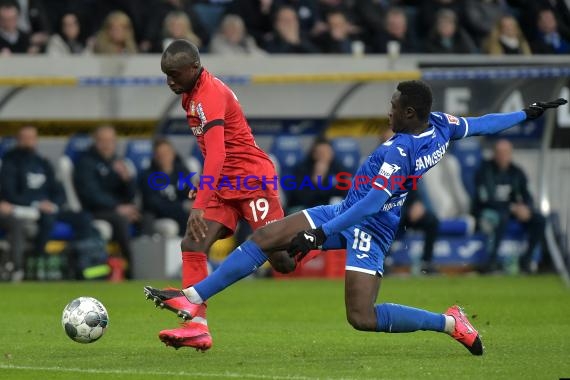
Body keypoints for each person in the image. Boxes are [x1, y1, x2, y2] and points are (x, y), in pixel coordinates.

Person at [144, 80, 567, 354]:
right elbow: (481, 124)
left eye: (395, 107)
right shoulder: (439, 125)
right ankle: (194, 299)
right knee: (266, 237)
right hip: (348, 208)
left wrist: (323, 234)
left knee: (361, 317)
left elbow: (368, 206)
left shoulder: (399, 152)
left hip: (370, 225)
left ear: (409, 115)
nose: (389, 111)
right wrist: (526, 114)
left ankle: (448, 322)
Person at [145, 39, 285, 351]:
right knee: (193, 243)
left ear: (194, 68)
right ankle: (196, 327)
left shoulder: (207, 94)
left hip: (251, 180)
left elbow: (219, 152)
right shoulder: (191, 91)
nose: (170, 80)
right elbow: (215, 152)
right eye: (166, 74)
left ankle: (336, 230)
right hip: (225, 184)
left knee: (283, 260)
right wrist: (207, 185)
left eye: (175, 74)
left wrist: (199, 203)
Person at [0, 126, 96, 280]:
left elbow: (58, 191)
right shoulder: (10, 163)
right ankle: (39, 262)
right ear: (18, 140)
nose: (29, 142)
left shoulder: (43, 162)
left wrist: (53, 204)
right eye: (25, 138)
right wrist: (36, 204)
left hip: (49, 208)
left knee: (83, 218)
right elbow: (9, 194)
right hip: (26, 209)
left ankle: (83, 265)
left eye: (32, 138)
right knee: (46, 218)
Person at [74, 125, 139, 278]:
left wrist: (126, 180)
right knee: (121, 220)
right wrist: (117, 207)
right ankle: (130, 269)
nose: (107, 144)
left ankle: (151, 267)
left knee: (146, 217)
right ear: (95, 141)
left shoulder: (117, 163)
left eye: (110, 140)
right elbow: (90, 195)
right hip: (94, 211)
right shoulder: (85, 163)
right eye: (103, 140)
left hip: (117, 210)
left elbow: (129, 196)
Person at [474, 139, 546, 274]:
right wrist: (512, 208)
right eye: (500, 153)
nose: (503, 156)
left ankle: (527, 260)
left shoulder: (516, 172)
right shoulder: (484, 171)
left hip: (512, 210)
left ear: (511, 154)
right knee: (500, 217)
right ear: (494, 154)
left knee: (539, 219)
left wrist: (526, 208)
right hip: (487, 210)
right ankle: (492, 262)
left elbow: (526, 194)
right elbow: (485, 199)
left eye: (506, 152)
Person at [139, 138, 191, 237]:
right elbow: (155, 204)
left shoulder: (182, 172)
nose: (163, 157)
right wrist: (182, 207)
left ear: (173, 153)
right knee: (171, 227)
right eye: (159, 154)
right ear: (154, 156)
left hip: (180, 214)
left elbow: (187, 193)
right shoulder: (148, 176)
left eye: (166, 153)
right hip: (157, 217)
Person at [287, 139, 347, 212]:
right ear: (314, 154)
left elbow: (344, 193)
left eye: (327, 153)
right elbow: (300, 198)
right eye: (321, 153)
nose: (324, 156)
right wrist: (317, 179)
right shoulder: (302, 169)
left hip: (331, 208)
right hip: (306, 208)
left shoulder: (338, 168)